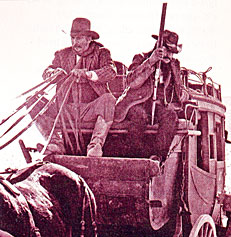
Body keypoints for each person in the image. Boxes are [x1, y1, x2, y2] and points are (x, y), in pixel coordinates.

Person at [42, 17, 117, 157]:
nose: (75, 42)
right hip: (65, 109)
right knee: (34, 102)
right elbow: (46, 72)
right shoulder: (62, 55)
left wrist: (88, 74)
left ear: (89, 39)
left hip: (91, 109)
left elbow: (111, 71)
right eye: (73, 38)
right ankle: (55, 143)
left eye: (79, 38)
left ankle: (95, 146)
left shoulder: (101, 53)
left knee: (109, 99)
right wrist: (54, 73)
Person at [114, 30, 188, 160]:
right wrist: (151, 62)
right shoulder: (140, 58)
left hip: (161, 106)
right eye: (166, 50)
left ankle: (158, 157)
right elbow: (131, 82)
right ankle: (135, 157)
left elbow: (180, 89)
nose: (169, 55)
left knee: (171, 117)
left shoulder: (174, 65)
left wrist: (182, 95)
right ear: (158, 47)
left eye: (172, 52)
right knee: (139, 116)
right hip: (136, 103)